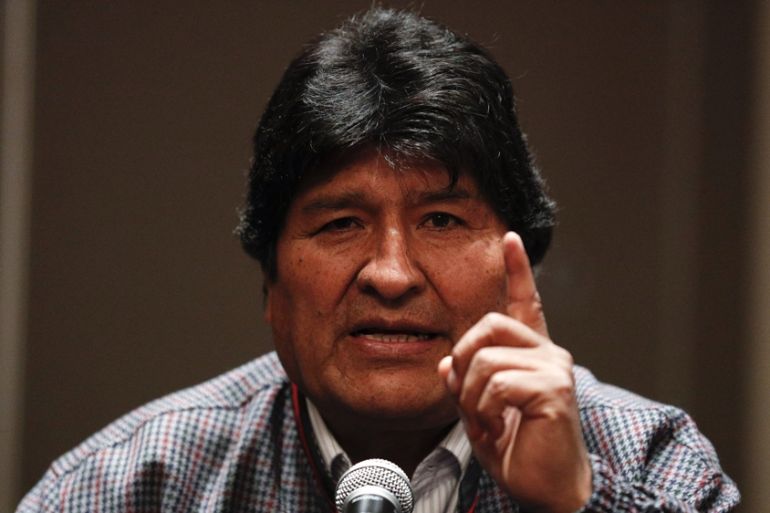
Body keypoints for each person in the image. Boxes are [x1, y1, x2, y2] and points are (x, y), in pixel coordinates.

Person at [17, 7, 739, 513]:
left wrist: (575, 503)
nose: (391, 274)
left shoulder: (652, 464)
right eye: (341, 224)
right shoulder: (126, 488)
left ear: (518, 269)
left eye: (441, 220)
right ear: (270, 282)